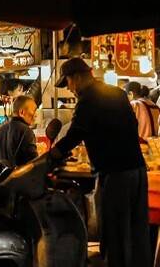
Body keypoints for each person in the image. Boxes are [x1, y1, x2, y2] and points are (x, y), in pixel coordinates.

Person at [51, 58, 150, 267]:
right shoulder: (117, 93)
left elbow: (74, 135)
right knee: (137, 230)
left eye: (67, 82)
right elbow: (132, 125)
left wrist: (51, 156)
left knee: (116, 231)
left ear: (77, 77)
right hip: (138, 170)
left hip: (116, 173)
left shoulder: (88, 100)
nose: (68, 88)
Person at [0, 95, 38, 167]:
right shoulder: (26, 131)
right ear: (21, 112)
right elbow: (33, 163)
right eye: (34, 111)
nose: (36, 115)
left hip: (1, 174)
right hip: (19, 174)